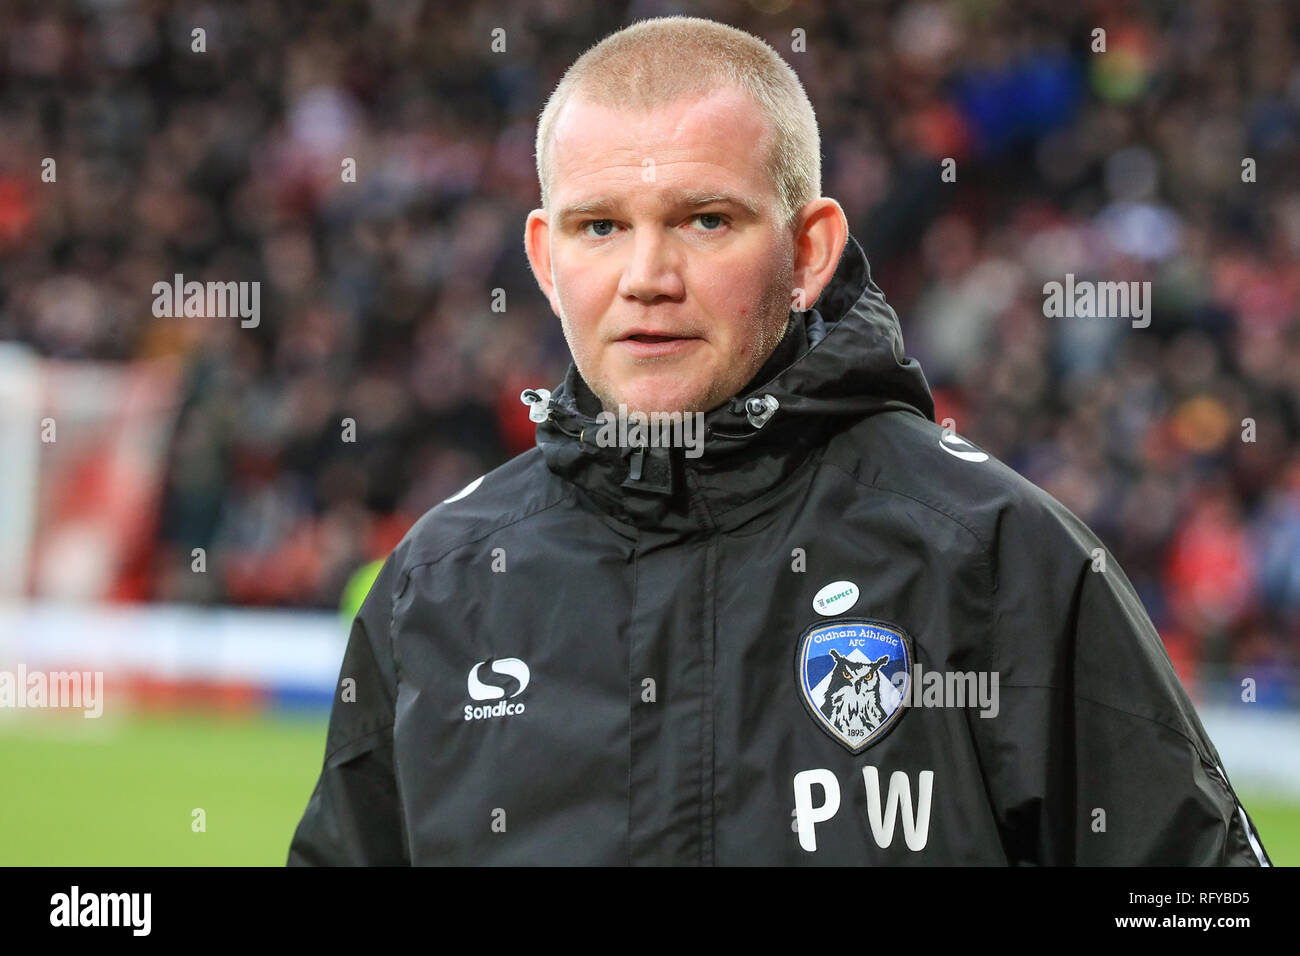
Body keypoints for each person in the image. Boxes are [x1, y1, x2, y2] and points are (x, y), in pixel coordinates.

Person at [287, 15, 1270, 865]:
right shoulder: (440, 583)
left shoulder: (998, 555)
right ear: (543, 258)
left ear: (809, 250)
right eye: (599, 228)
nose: (646, 274)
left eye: (704, 219)